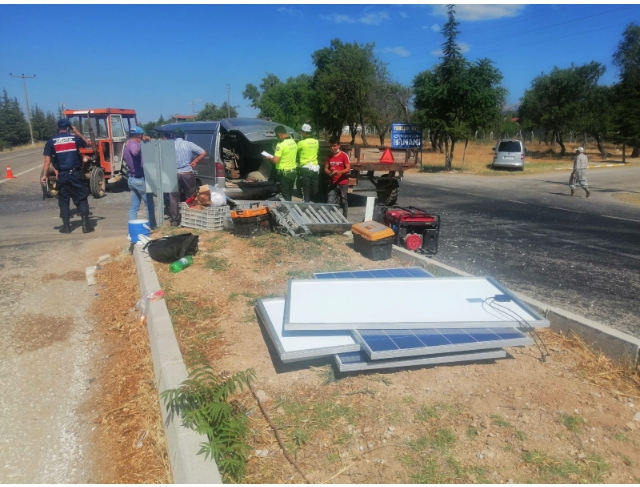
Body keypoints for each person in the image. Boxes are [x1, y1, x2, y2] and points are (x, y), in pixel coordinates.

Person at [41, 119, 94, 234]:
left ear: (58, 127)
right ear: (69, 128)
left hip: (62, 175)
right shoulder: (74, 138)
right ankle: (86, 226)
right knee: (81, 197)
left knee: (64, 200)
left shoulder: (51, 141)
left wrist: (44, 175)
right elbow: (88, 143)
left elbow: (47, 161)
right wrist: (77, 132)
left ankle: (66, 227)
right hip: (75, 173)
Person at [163, 130, 207, 226]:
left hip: (174, 173)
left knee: (173, 198)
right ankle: (192, 218)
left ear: (174, 136)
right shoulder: (189, 144)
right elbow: (203, 152)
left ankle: (175, 221)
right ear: (184, 136)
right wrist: (195, 161)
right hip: (187, 172)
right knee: (191, 196)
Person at [123, 126, 157, 229]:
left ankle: (132, 228)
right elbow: (135, 152)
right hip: (139, 180)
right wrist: (143, 143)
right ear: (139, 135)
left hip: (132, 179)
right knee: (149, 204)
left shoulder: (127, 144)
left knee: (134, 206)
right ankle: (152, 226)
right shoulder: (134, 145)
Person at [265, 125, 297, 201]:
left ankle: (287, 211)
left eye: (276, 135)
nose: (277, 137)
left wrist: (269, 158)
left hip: (284, 174)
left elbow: (275, 160)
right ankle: (290, 209)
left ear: (279, 134)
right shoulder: (293, 142)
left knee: (285, 196)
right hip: (293, 173)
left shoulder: (280, 145)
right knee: (289, 194)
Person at [324, 137, 351, 218]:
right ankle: (328, 219)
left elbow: (348, 169)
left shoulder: (344, 156)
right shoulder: (329, 157)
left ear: (339, 145)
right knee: (330, 201)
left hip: (342, 183)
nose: (333, 148)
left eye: (334, 146)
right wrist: (329, 173)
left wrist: (338, 172)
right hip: (332, 183)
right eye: (331, 146)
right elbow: (325, 168)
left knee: (344, 201)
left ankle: (344, 218)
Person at [296, 123, 320, 202]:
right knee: (315, 188)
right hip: (315, 168)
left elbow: (295, 151)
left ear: (305, 133)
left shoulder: (301, 143)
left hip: (305, 168)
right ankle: (316, 204)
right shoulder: (316, 142)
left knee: (305, 189)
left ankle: (306, 206)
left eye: (302, 132)